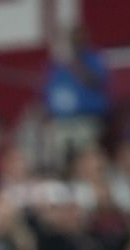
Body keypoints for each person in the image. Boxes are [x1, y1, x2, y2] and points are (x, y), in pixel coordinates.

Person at [43, 25, 112, 170]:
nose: (75, 40)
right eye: (72, 37)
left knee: (87, 157)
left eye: (78, 37)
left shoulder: (93, 58)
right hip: (61, 121)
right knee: (56, 155)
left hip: (86, 120)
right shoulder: (57, 64)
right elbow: (49, 93)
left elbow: (96, 81)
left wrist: (73, 63)